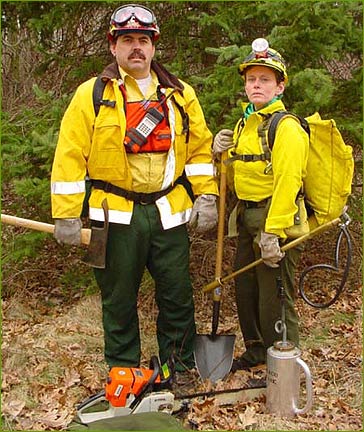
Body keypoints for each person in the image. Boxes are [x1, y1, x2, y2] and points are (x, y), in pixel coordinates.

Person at [51, 4, 218, 377]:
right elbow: (69, 154)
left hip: (169, 212)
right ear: (113, 47)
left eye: (143, 40)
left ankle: (179, 370)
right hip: (113, 216)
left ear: (154, 46)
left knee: (177, 296)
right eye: (127, 40)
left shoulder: (180, 94)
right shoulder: (91, 94)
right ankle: (124, 374)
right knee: (119, 300)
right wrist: (65, 212)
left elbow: (200, 149)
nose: (136, 47)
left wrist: (207, 195)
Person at [213, 38, 309, 371]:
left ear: (280, 86)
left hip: (275, 222)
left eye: (265, 80)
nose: (257, 85)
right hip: (247, 218)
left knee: (275, 298)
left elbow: (288, 182)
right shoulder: (244, 125)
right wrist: (220, 155)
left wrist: (273, 232)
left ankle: (284, 365)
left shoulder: (285, 127)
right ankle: (256, 351)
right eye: (252, 79)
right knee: (247, 290)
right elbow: (235, 177)